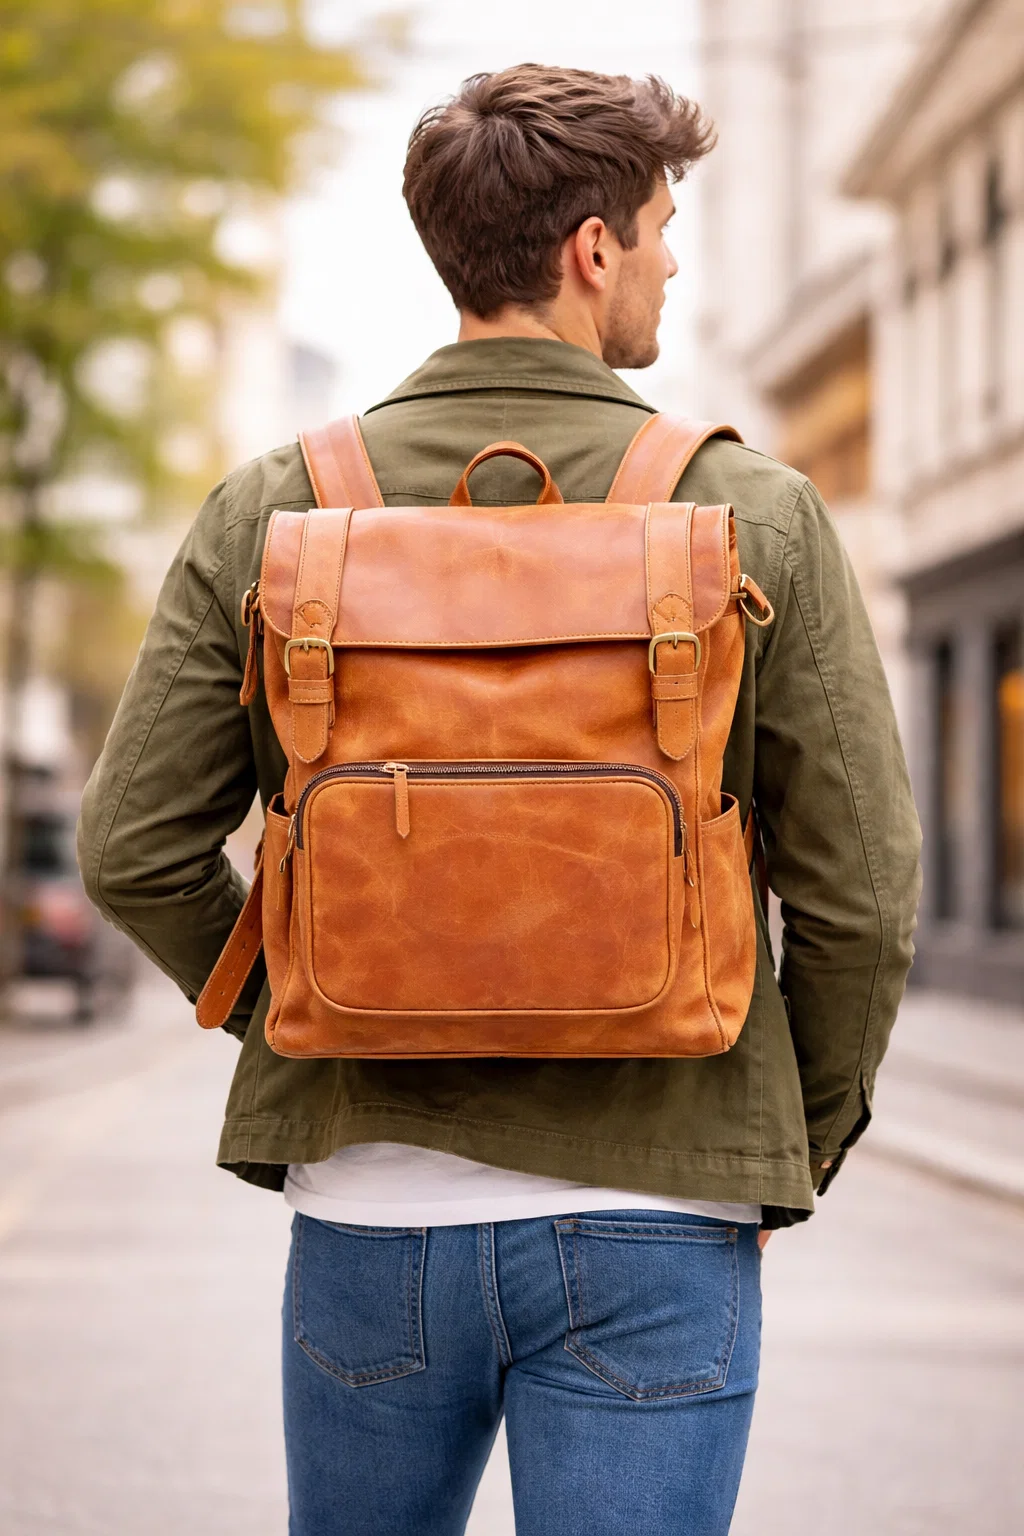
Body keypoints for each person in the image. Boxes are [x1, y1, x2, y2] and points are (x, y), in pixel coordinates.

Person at [78, 65, 921, 1536]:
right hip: (661, 1209)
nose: (670, 265)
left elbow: (131, 849)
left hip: (372, 1213)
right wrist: (793, 1141)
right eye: (662, 231)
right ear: (593, 249)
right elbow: (864, 895)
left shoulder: (279, 509)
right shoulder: (754, 513)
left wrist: (306, 993)